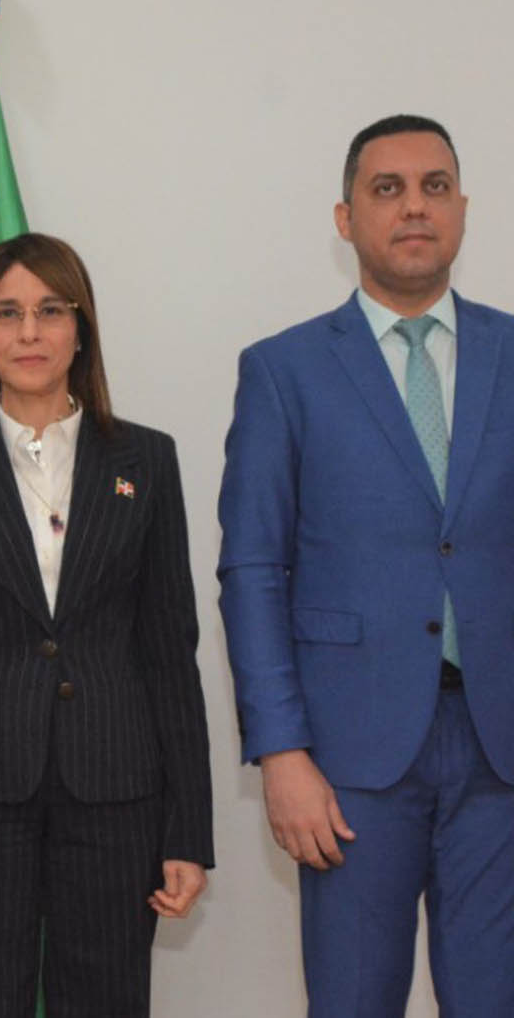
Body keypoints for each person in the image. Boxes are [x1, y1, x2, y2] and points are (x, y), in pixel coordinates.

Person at [218, 115, 514, 1015]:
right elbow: (253, 568)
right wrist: (281, 750)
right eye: (387, 189)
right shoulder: (285, 370)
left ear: (463, 209)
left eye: (433, 186)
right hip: (348, 761)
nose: (413, 207)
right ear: (346, 218)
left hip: (500, 756)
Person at [0, 232, 214, 1016]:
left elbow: (171, 652)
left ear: (80, 329)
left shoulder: (146, 460)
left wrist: (188, 830)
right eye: (8, 313)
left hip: (115, 793)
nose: (29, 332)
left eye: (50, 310)